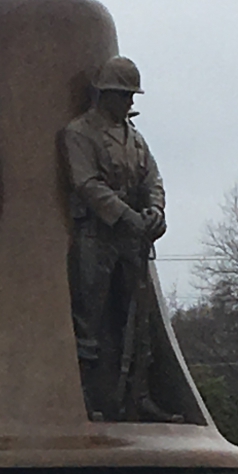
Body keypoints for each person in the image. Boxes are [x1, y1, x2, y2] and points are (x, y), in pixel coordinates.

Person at [62, 56, 180, 422]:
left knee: (137, 320)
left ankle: (137, 398)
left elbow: (152, 179)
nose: (130, 103)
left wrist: (155, 213)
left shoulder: (135, 136)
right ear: (105, 94)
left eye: (132, 96)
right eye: (124, 95)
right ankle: (85, 398)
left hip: (134, 239)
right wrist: (127, 216)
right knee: (90, 320)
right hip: (96, 236)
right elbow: (86, 184)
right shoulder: (79, 132)